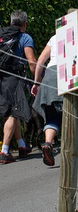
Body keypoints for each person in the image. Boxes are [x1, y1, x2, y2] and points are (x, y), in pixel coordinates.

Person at [32, 25, 78, 166]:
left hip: (50, 76)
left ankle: (47, 143)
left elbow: (40, 62)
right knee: (72, 114)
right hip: (69, 76)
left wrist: (36, 82)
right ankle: (71, 152)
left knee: (53, 116)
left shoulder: (54, 38)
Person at [0, 11, 37, 163]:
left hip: (1, 77)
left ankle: (22, 146)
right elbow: (32, 61)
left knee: (12, 111)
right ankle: (4, 151)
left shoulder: (2, 36)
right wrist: (36, 80)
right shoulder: (25, 37)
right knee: (12, 112)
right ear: (25, 23)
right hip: (14, 78)